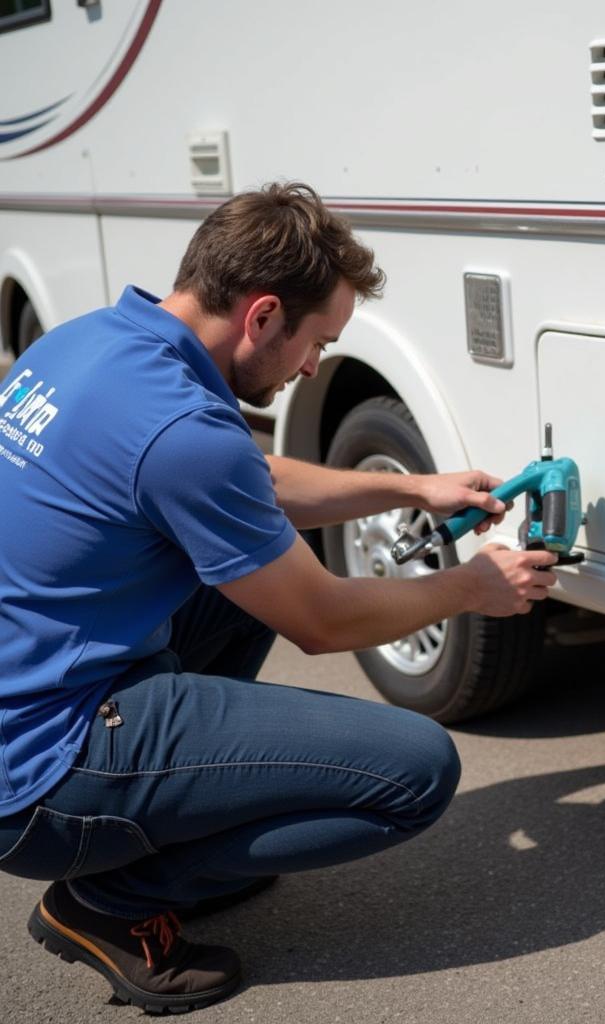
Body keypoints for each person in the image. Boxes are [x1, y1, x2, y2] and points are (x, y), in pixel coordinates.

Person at [0, 182, 558, 1012]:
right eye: (316, 343)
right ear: (262, 316)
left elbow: (249, 484)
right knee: (416, 772)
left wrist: (413, 489)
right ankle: (107, 904)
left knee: (249, 564)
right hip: (40, 775)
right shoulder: (183, 433)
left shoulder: (92, 344)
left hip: (31, 689)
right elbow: (322, 622)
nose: (312, 367)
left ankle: (158, 844)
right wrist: (472, 588)